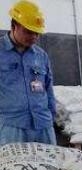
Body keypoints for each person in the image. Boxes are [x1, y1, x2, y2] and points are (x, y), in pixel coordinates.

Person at [0, 1, 56, 145]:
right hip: (12, 127)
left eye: (37, 33)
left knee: (50, 160)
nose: (34, 37)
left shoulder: (41, 55)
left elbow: (49, 89)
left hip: (43, 125)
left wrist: (50, 117)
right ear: (14, 26)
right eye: (29, 31)